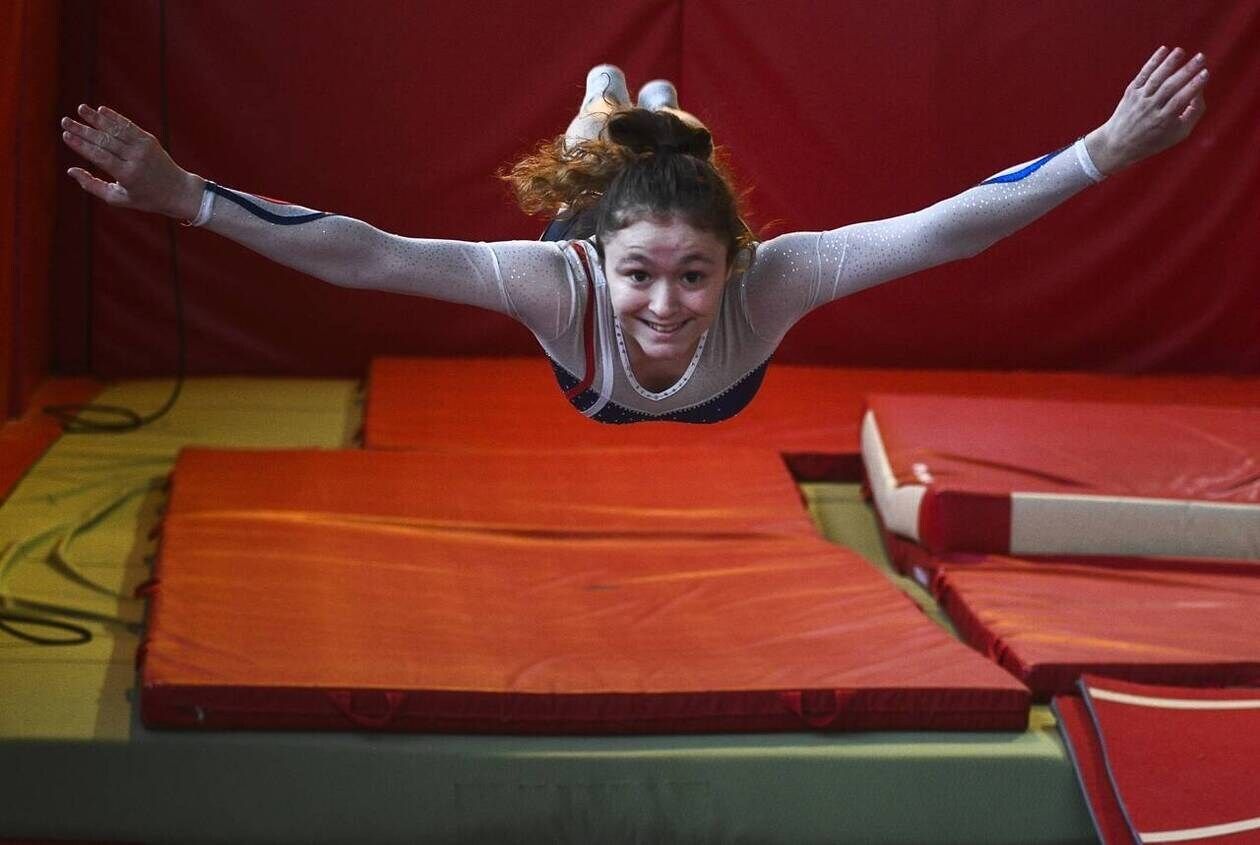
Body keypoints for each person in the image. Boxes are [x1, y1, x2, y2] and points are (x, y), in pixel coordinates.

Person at [60, 47, 1207, 424]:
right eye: (645, 276)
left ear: (736, 265)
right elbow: (371, 250)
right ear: (599, 261)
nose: (663, 306)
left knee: (665, 160)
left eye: (694, 277)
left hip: (673, 326)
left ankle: (639, 111)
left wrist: (1104, 149)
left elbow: (945, 230)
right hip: (588, 235)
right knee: (601, 159)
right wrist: (189, 195)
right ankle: (613, 104)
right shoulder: (559, 280)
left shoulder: (775, 280)